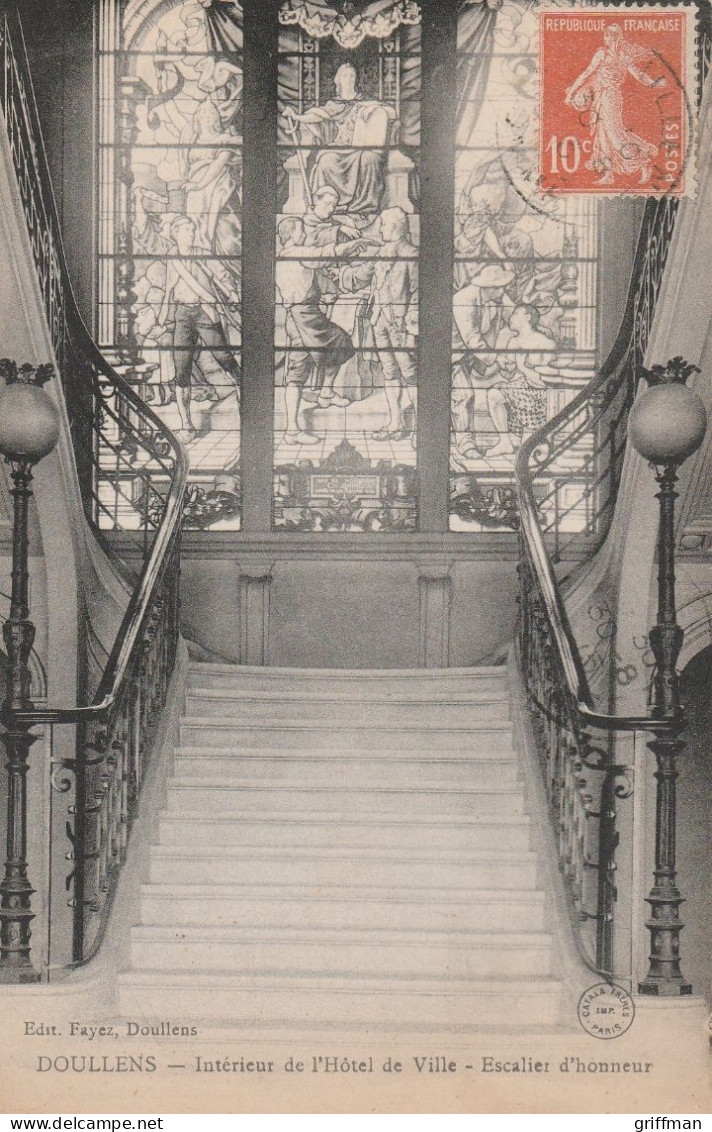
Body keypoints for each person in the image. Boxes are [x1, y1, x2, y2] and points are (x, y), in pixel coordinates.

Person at [275, 216, 367, 443]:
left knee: (341, 343)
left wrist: (321, 297)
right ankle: (292, 431)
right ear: (291, 234)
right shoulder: (295, 252)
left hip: (308, 314)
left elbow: (301, 285)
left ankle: (326, 392)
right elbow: (329, 253)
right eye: (300, 231)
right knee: (298, 372)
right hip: (302, 320)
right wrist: (356, 244)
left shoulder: (288, 256)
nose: (304, 234)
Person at [157, 216, 241, 441]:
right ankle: (186, 425)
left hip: (205, 312)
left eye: (192, 229)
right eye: (186, 230)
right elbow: (169, 289)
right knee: (181, 369)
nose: (191, 233)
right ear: (175, 233)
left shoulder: (202, 253)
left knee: (224, 356)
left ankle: (242, 392)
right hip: (183, 315)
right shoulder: (172, 259)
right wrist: (164, 317)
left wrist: (231, 292)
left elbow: (219, 274)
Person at [340, 207, 419, 441]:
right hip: (380, 321)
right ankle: (396, 423)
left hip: (401, 325)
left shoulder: (412, 254)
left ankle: (419, 430)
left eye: (383, 225)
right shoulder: (381, 252)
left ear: (394, 227)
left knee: (411, 373)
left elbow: (417, 293)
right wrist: (339, 272)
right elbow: (361, 276)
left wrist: (411, 326)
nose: (380, 229)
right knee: (390, 372)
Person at [282, 62, 395, 217]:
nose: (348, 79)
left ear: (356, 79)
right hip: (340, 147)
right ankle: (328, 206)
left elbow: (391, 112)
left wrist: (370, 107)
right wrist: (296, 117)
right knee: (326, 160)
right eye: (345, 75)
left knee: (371, 158)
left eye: (352, 75)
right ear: (338, 80)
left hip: (363, 148)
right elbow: (317, 114)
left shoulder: (366, 100)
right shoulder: (334, 104)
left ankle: (364, 206)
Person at [564, 24, 665, 186]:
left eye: (607, 36)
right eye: (605, 36)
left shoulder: (609, 54)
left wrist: (570, 94)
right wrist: (653, 83)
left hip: (609, 97)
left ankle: (644, 162)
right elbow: (589, 74)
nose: (605, 39)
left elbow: (587, 74)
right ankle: (608, 174)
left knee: (615, 136)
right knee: (602, 137)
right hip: (601, 96)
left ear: (613, 38)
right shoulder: (612, 54)